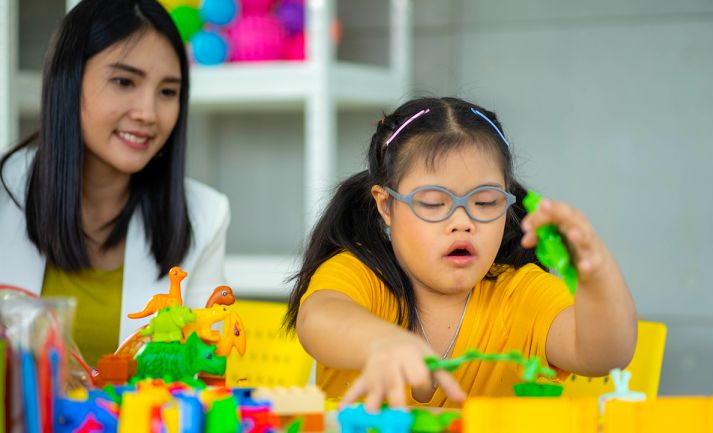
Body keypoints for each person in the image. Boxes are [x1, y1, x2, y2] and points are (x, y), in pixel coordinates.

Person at [284, 97, 637, 409]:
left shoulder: (523, 294)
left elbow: (604, 356)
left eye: (485, 202)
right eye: (435, 203)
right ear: (386, 205)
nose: (463, 222)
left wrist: (597, 276)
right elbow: (318, 319)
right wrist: (382, 343)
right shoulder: (361, 273)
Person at [0, 0, 230, 365]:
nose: (148, 113)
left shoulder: (205, 215)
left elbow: (202, 374)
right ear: (68, 82)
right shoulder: (4, 193)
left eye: (168, 92)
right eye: (124, 82)